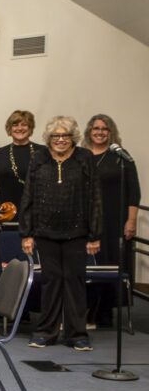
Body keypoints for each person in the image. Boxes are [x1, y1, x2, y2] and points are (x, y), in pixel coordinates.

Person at [20, 116, 101, 351]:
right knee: (51, 282)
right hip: (45, 232)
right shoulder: (39, 159)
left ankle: (77, 334)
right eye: (56, 136)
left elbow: (95, 197)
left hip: (77, 233)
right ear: (49, 138)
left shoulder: (84, 158)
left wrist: (94, 235)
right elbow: (28, 197)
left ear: (73, 137)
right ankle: (46, 332)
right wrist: (27, 233)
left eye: (65, 136)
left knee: (75, 283)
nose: (60, 140)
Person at [82, 114, 141, 326]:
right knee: (90, 266)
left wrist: (131, 221)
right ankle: (88, 310)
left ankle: (104, 313)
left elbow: (134, 192)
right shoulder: (81, 156)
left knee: (110, 263)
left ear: (111, 132)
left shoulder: (121, 158)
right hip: (88, 221)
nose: (100, 132)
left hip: (115, 221)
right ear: (89, 131)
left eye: (104, 129)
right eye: (96, 128)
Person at [0, 110, 45, 207]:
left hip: (36, 209)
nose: (20, 128)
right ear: (9, 129)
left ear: (30, 128)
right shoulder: (0, 153)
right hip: (6, 210)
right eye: (15, 125)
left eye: (24, 125)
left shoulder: (43, 152)